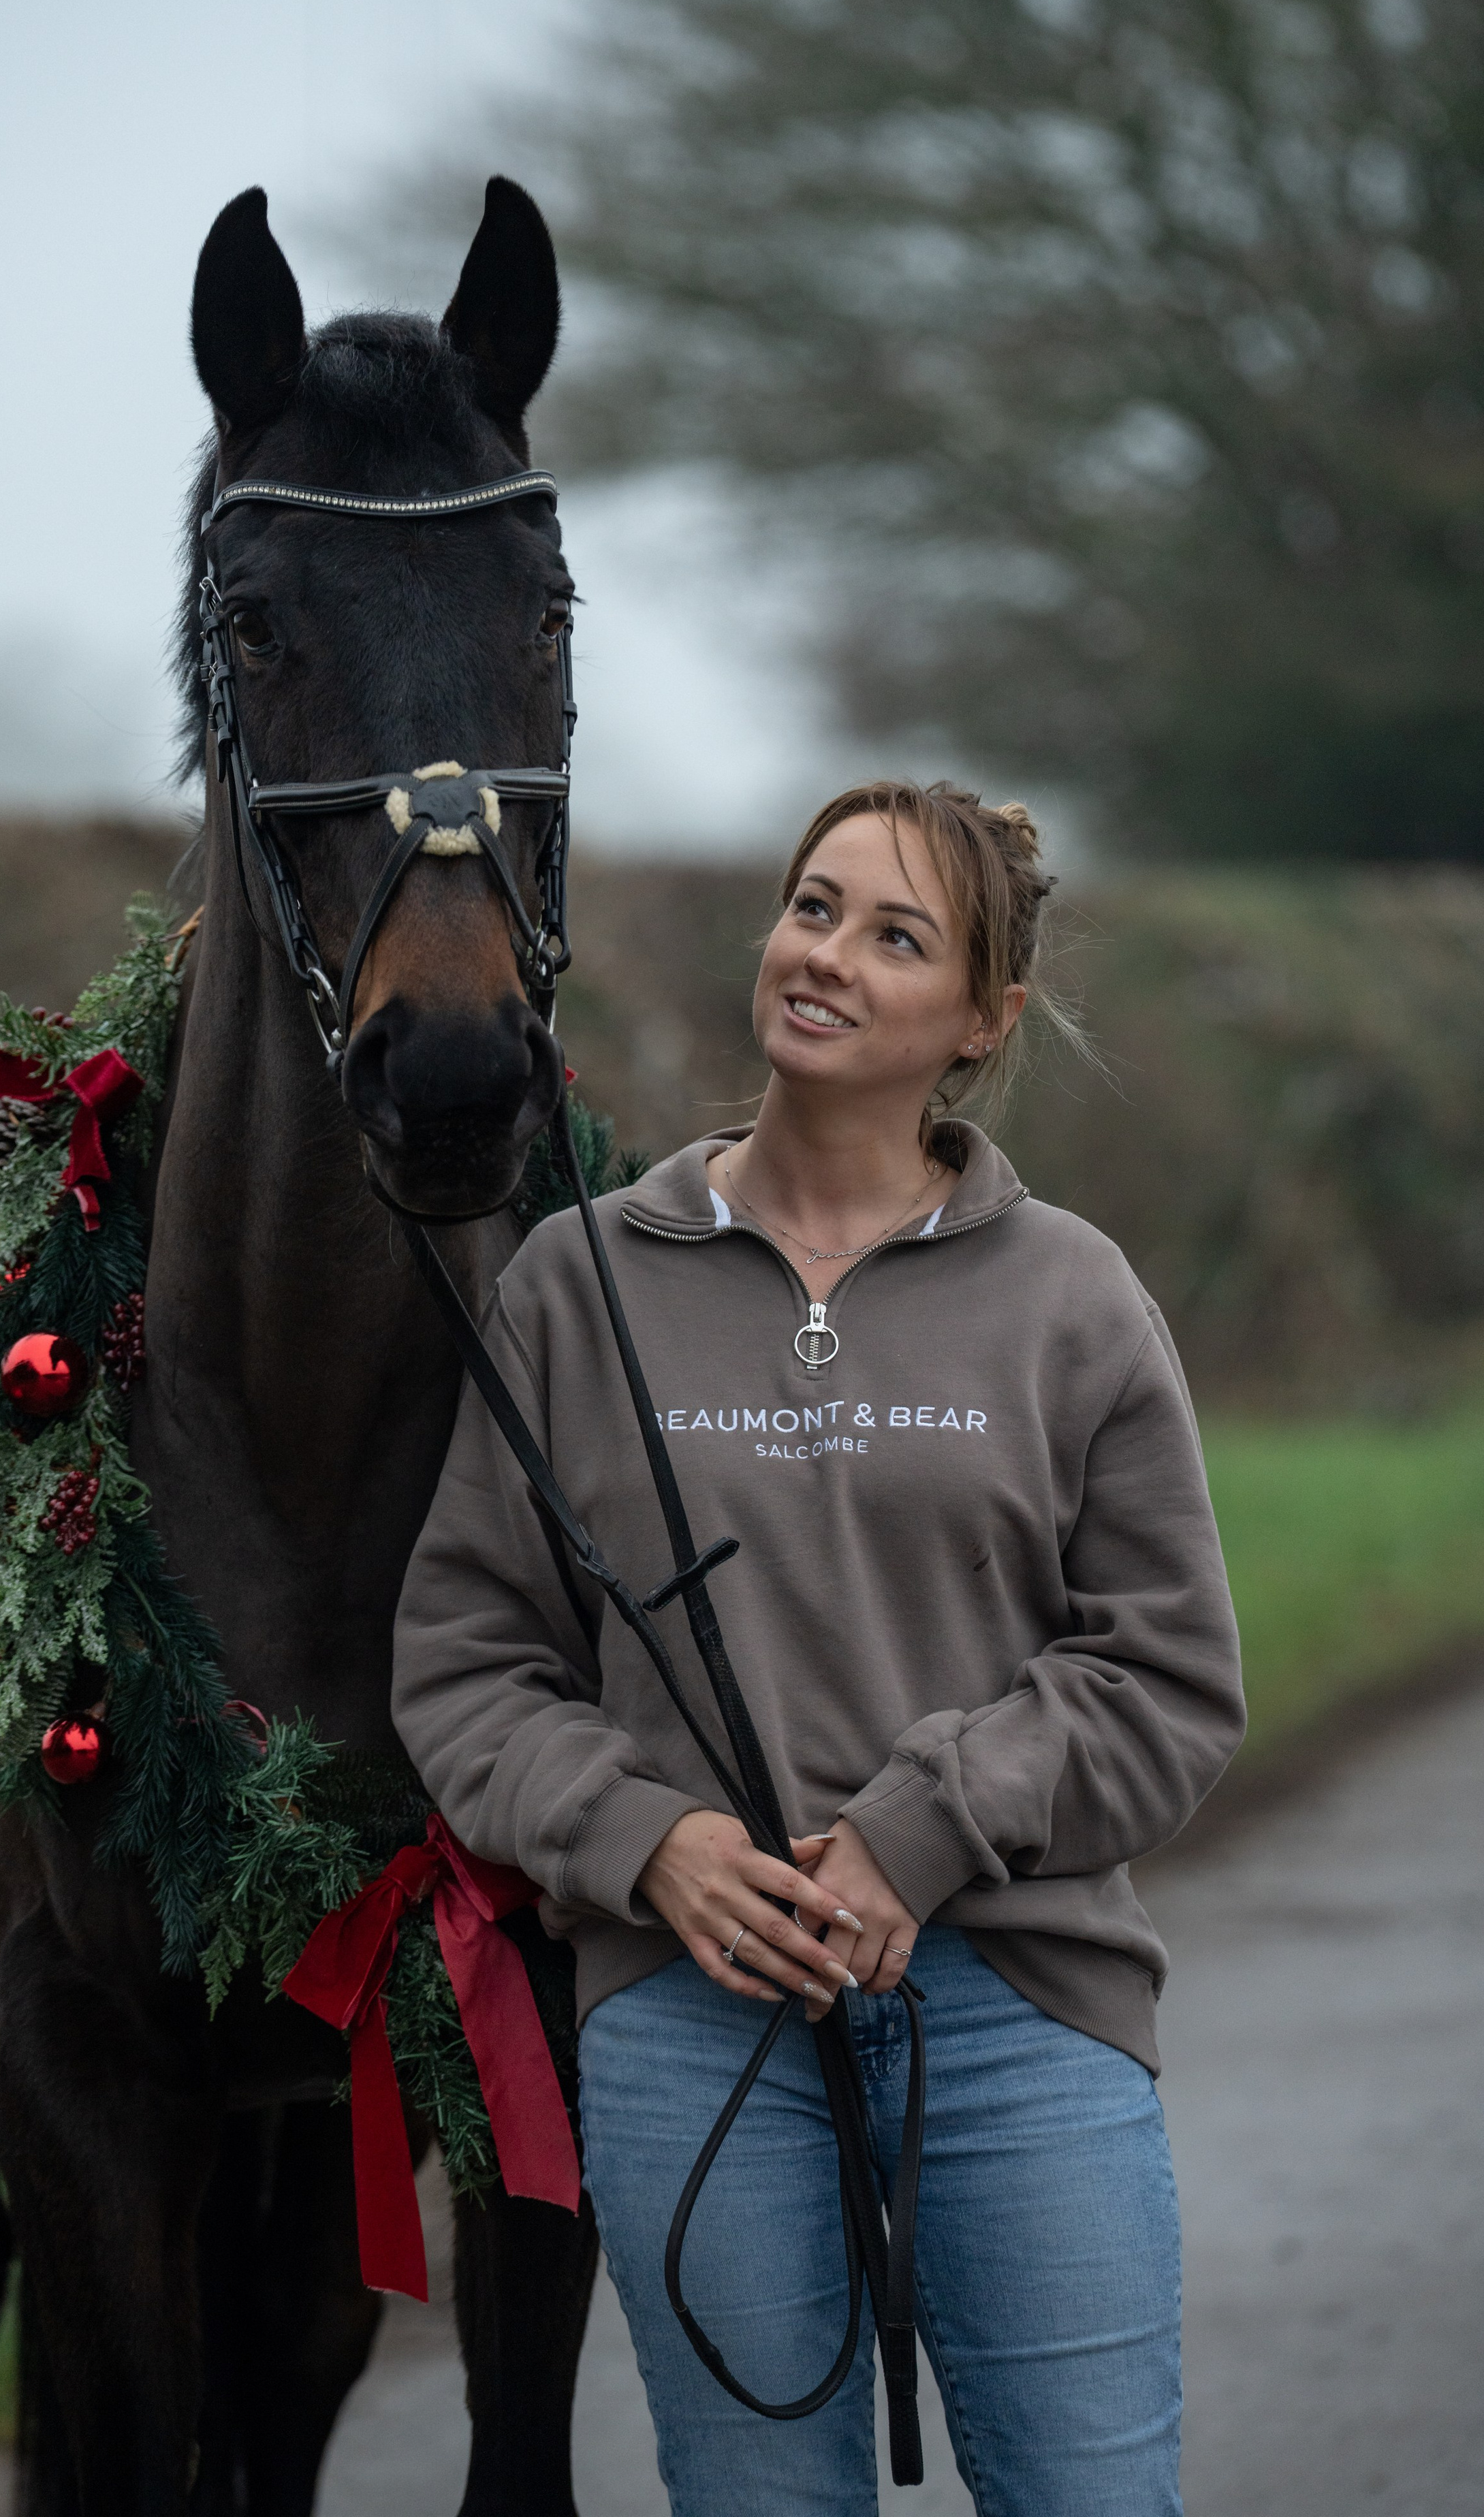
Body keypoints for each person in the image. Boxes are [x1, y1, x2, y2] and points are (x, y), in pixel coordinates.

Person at [392, 781, 1244, 2517]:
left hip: (1014, 2006)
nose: (824, 957)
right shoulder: (577, 1284)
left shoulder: (1070, 1296)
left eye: (894, 936)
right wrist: (653, 1844)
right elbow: (468, 1662)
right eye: (810, 907)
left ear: (981, 1022)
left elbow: (1166, 1676)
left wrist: (915, 1836)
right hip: (689, 2023)